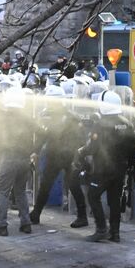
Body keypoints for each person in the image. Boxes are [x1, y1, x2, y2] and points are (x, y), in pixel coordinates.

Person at [80, 93, 135, 243]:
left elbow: (93, 148)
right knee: (115, 200)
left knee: (93, 196)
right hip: (121, 168)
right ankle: (115, 233)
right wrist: (130, 165)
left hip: (103, 168)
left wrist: (81, 151)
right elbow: (134, 148)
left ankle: (101, 230)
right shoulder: (127, 123)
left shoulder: (101, 124)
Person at [30, 91, 87, 228]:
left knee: (70, 186)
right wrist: (35, 151)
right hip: (60, 155)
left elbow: (80, 138)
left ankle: (82, 216)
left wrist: (35, 150)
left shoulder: (65, 117)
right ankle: (36, 213)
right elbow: (44, 135)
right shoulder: (59, 116)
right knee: (49, 185)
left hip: (65, 156)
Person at [0, 88, 36, 236]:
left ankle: (1, 226)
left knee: (3, 192)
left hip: (8, 157)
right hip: (24, 158)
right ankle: (26, 223)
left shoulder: (2, 119)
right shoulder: (28, 119)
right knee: (21, 191)